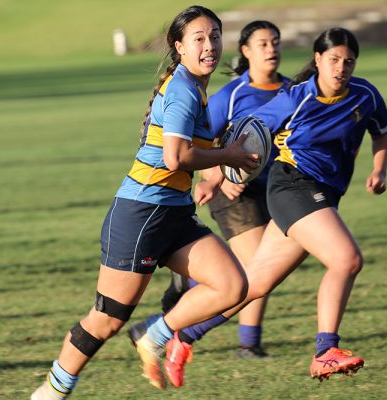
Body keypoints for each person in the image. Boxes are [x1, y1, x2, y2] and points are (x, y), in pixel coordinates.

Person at [30, 6, 261, 399]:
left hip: (174, 212)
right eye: (199, 39)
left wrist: (222, 166)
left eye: (215, 37)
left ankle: (152, 336)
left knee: (233, 285)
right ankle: (51, 391)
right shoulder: (183, 90)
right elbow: (176, 157)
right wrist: (230, 157)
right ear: (179, 46)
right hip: (141, 214)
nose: (210, 46)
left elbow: (186, 158)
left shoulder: (193, 87)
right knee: (106, 320)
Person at [161, 27, 387, 386]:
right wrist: (220, 178)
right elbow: (242, 135)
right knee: (347, 260)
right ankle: (325, 351)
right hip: (294, 187)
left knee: (253, 284)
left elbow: (381, 130)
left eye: (348, 62)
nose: (340, 68)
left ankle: (183, 338)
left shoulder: (365, 95)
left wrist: (379, 169)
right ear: (317, 60)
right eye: (333, 60)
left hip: (321, 194)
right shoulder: (296, 96)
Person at [161, 20, 291, 363]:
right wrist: (217, 179)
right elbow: (197, 144)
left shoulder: (291, 92)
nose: (272, 49)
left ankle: (191, 285)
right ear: (246, 52)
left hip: (275, 190)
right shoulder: (231, 95)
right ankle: (248, 346)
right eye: (262, 43)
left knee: (262, 271)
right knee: (255, 271)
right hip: (232, 192)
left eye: (275, 42)